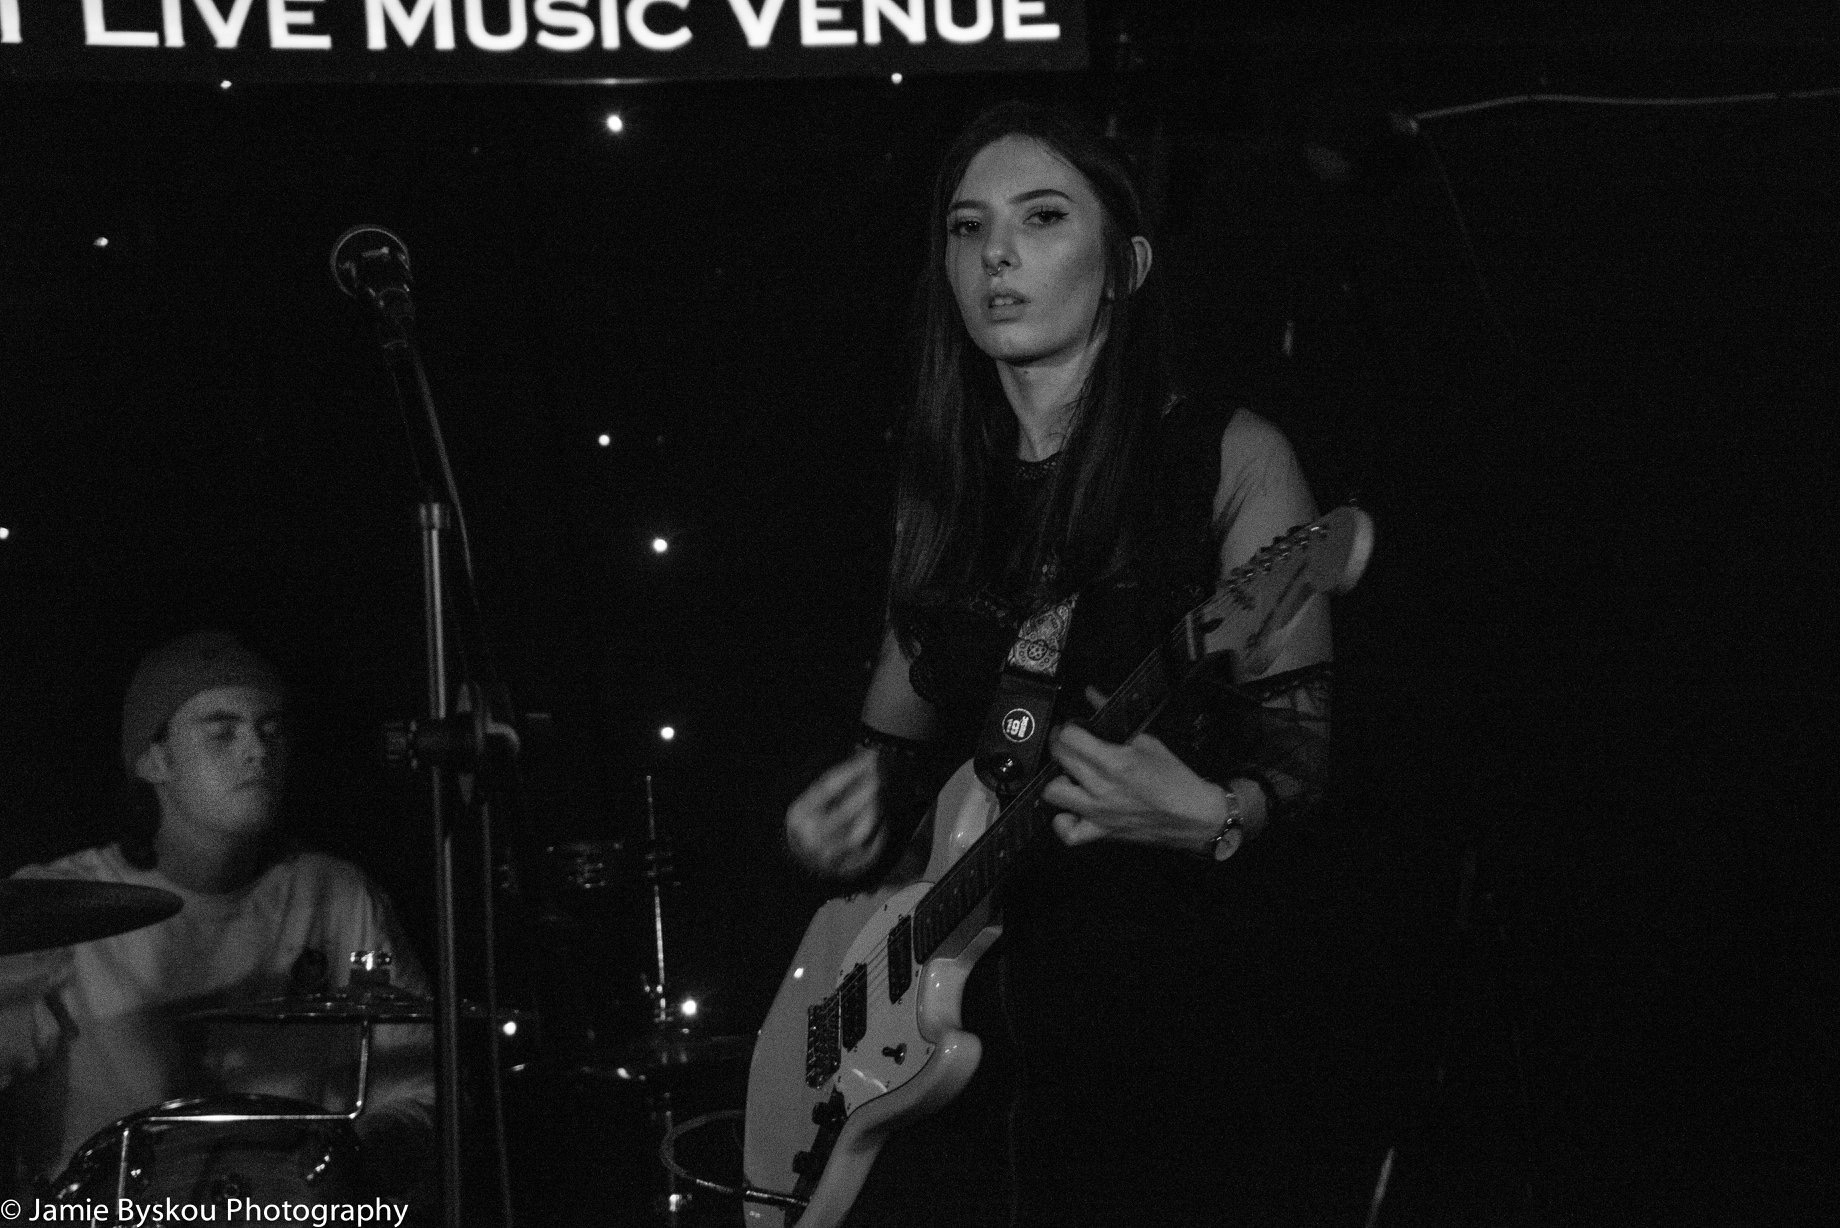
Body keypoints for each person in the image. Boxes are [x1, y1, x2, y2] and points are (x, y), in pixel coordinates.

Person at [783, 102, 1337, 1225]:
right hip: (953, 1046)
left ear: (1125, 265)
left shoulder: (1230, 456)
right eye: (967, 226)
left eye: (1041, 218)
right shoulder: (941, 486)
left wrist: (1215, 815)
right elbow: (893, 761)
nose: (996, 253)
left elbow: (1304, 764)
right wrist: (842, 819)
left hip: (1164, 1017)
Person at [0, 630, 435, 1202]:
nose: (258, 751)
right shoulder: (51, 907)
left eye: (271, 729)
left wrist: (348, 1156)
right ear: (153, 760)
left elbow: (422, 1088)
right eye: (222, 732)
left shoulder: (338, 895)